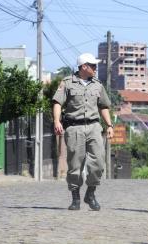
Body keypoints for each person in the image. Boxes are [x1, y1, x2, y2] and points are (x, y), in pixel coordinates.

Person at [52, 53, 114, 211]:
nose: (95, 68)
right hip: (74, 128)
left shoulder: (97, 85)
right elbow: (58, 102)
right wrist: (57, 121)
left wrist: (109, 125)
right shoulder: (67, 83)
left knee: (99, 164)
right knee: (75, 165)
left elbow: (104, 106)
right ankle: (75, 198)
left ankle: (90, 193)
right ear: (83, 67)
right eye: (93, 65)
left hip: (94, 127)